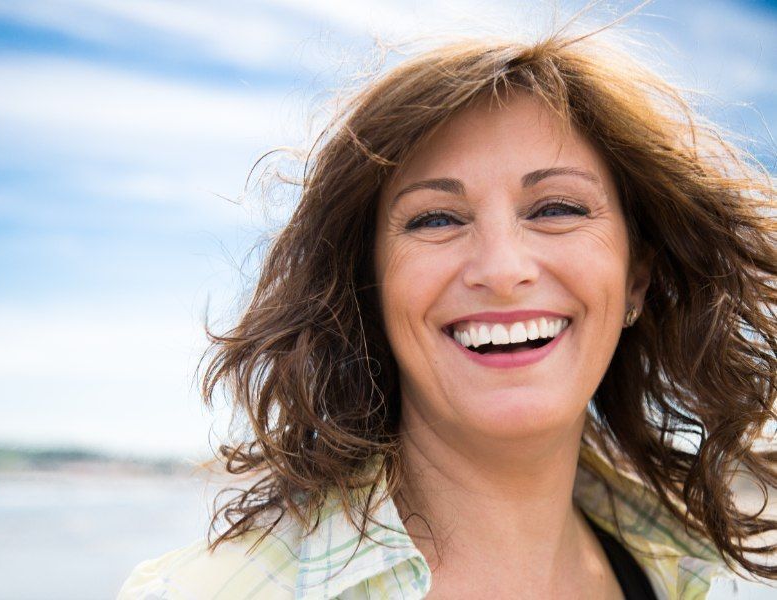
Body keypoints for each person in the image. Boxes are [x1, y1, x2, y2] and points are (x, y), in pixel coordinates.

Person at [118, 20, 776, 600]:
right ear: (368, 284)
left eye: (556, 209)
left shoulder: (684, 576)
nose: (502, 269)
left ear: (636, 279)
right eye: (436, 219)